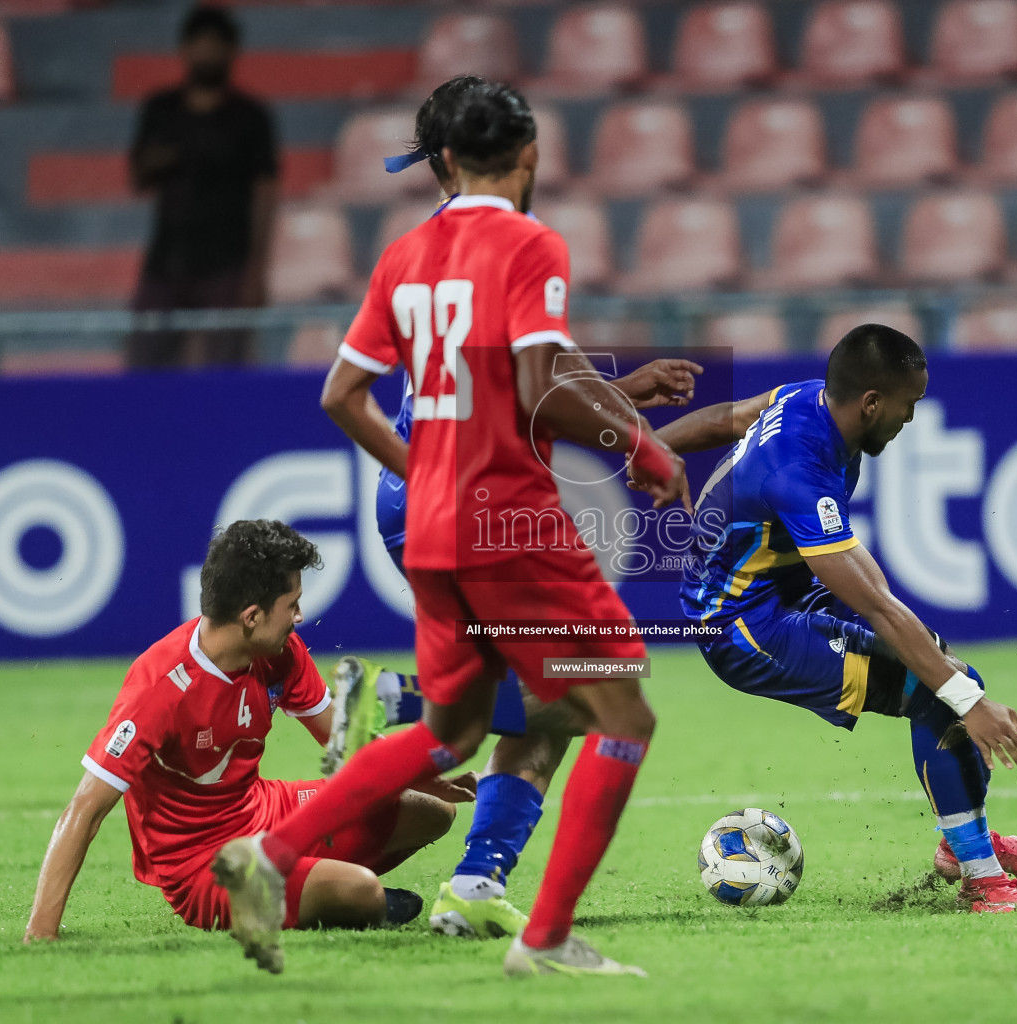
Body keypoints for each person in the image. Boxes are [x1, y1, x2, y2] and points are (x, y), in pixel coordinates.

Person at [211, 82, 689, 978]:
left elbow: (339, 397)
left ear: (445, 162)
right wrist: (640, 446)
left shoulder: (403, 255)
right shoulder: (530, 242)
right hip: (509, 521)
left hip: (431, 526)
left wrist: (424, 472)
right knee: (622, 705)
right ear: (529, 156)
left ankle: (266, 859)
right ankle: (542, 941)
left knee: (450, 735)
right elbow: (537, 377)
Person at [658, 324, 1017, 913]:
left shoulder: (805, 398)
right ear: (873, 403)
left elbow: (727, 417)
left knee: (948, 669)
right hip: (743, 625)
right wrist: (970, 704)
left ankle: (965, 843)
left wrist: (642, 449)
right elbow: (875, 602)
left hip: (778, 590)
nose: (911, 419)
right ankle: (983, 881)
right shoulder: (798, 474)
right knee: (942, 692)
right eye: (910, 405)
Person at [22, 520, 473, 945]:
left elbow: (343, 741)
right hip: (206, 867)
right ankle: (346, 897)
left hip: (265, 811)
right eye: (291, 604)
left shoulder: (280, 654)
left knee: (431, 812)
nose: (299, 616)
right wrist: (42, 932)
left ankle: (322, 887)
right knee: (363, 893)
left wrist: (417, 772)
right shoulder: (161, 688)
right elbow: (86, 808)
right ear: (252, 616)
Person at [126, 4, 278, 370]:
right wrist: (169, 156)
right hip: (165, 263)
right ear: (184, 50)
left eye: (216, 43)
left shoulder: (250, 117)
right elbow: (138, 175)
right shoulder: (161, 110)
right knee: (145, 368)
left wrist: (256, 273)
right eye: (199, 43)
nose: (207, 52)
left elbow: (266, 193)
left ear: (231, 52)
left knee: (227, 370)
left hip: (227, 266)